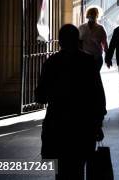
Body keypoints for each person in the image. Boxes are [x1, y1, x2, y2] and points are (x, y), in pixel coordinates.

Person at [35, 24, 106, 180]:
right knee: (79, 168)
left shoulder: (52, 62)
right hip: (83, 125)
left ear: (60, 41)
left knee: (60, 171)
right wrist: (98, 122)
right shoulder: (88, 62)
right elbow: (98, 95)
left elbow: (40, 96)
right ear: (77, 40)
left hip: (57, 124)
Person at [79, 6, 108, 71]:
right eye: (91, 14)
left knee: (95, 77)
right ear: (88, 15)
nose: (92, 15)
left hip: (96, 57)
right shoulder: (81, 27)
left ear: (97, 16)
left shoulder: (100, 28)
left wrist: (107, 57)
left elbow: (105, 43)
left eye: (94, 14)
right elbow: (78, 42)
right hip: (84, 57)